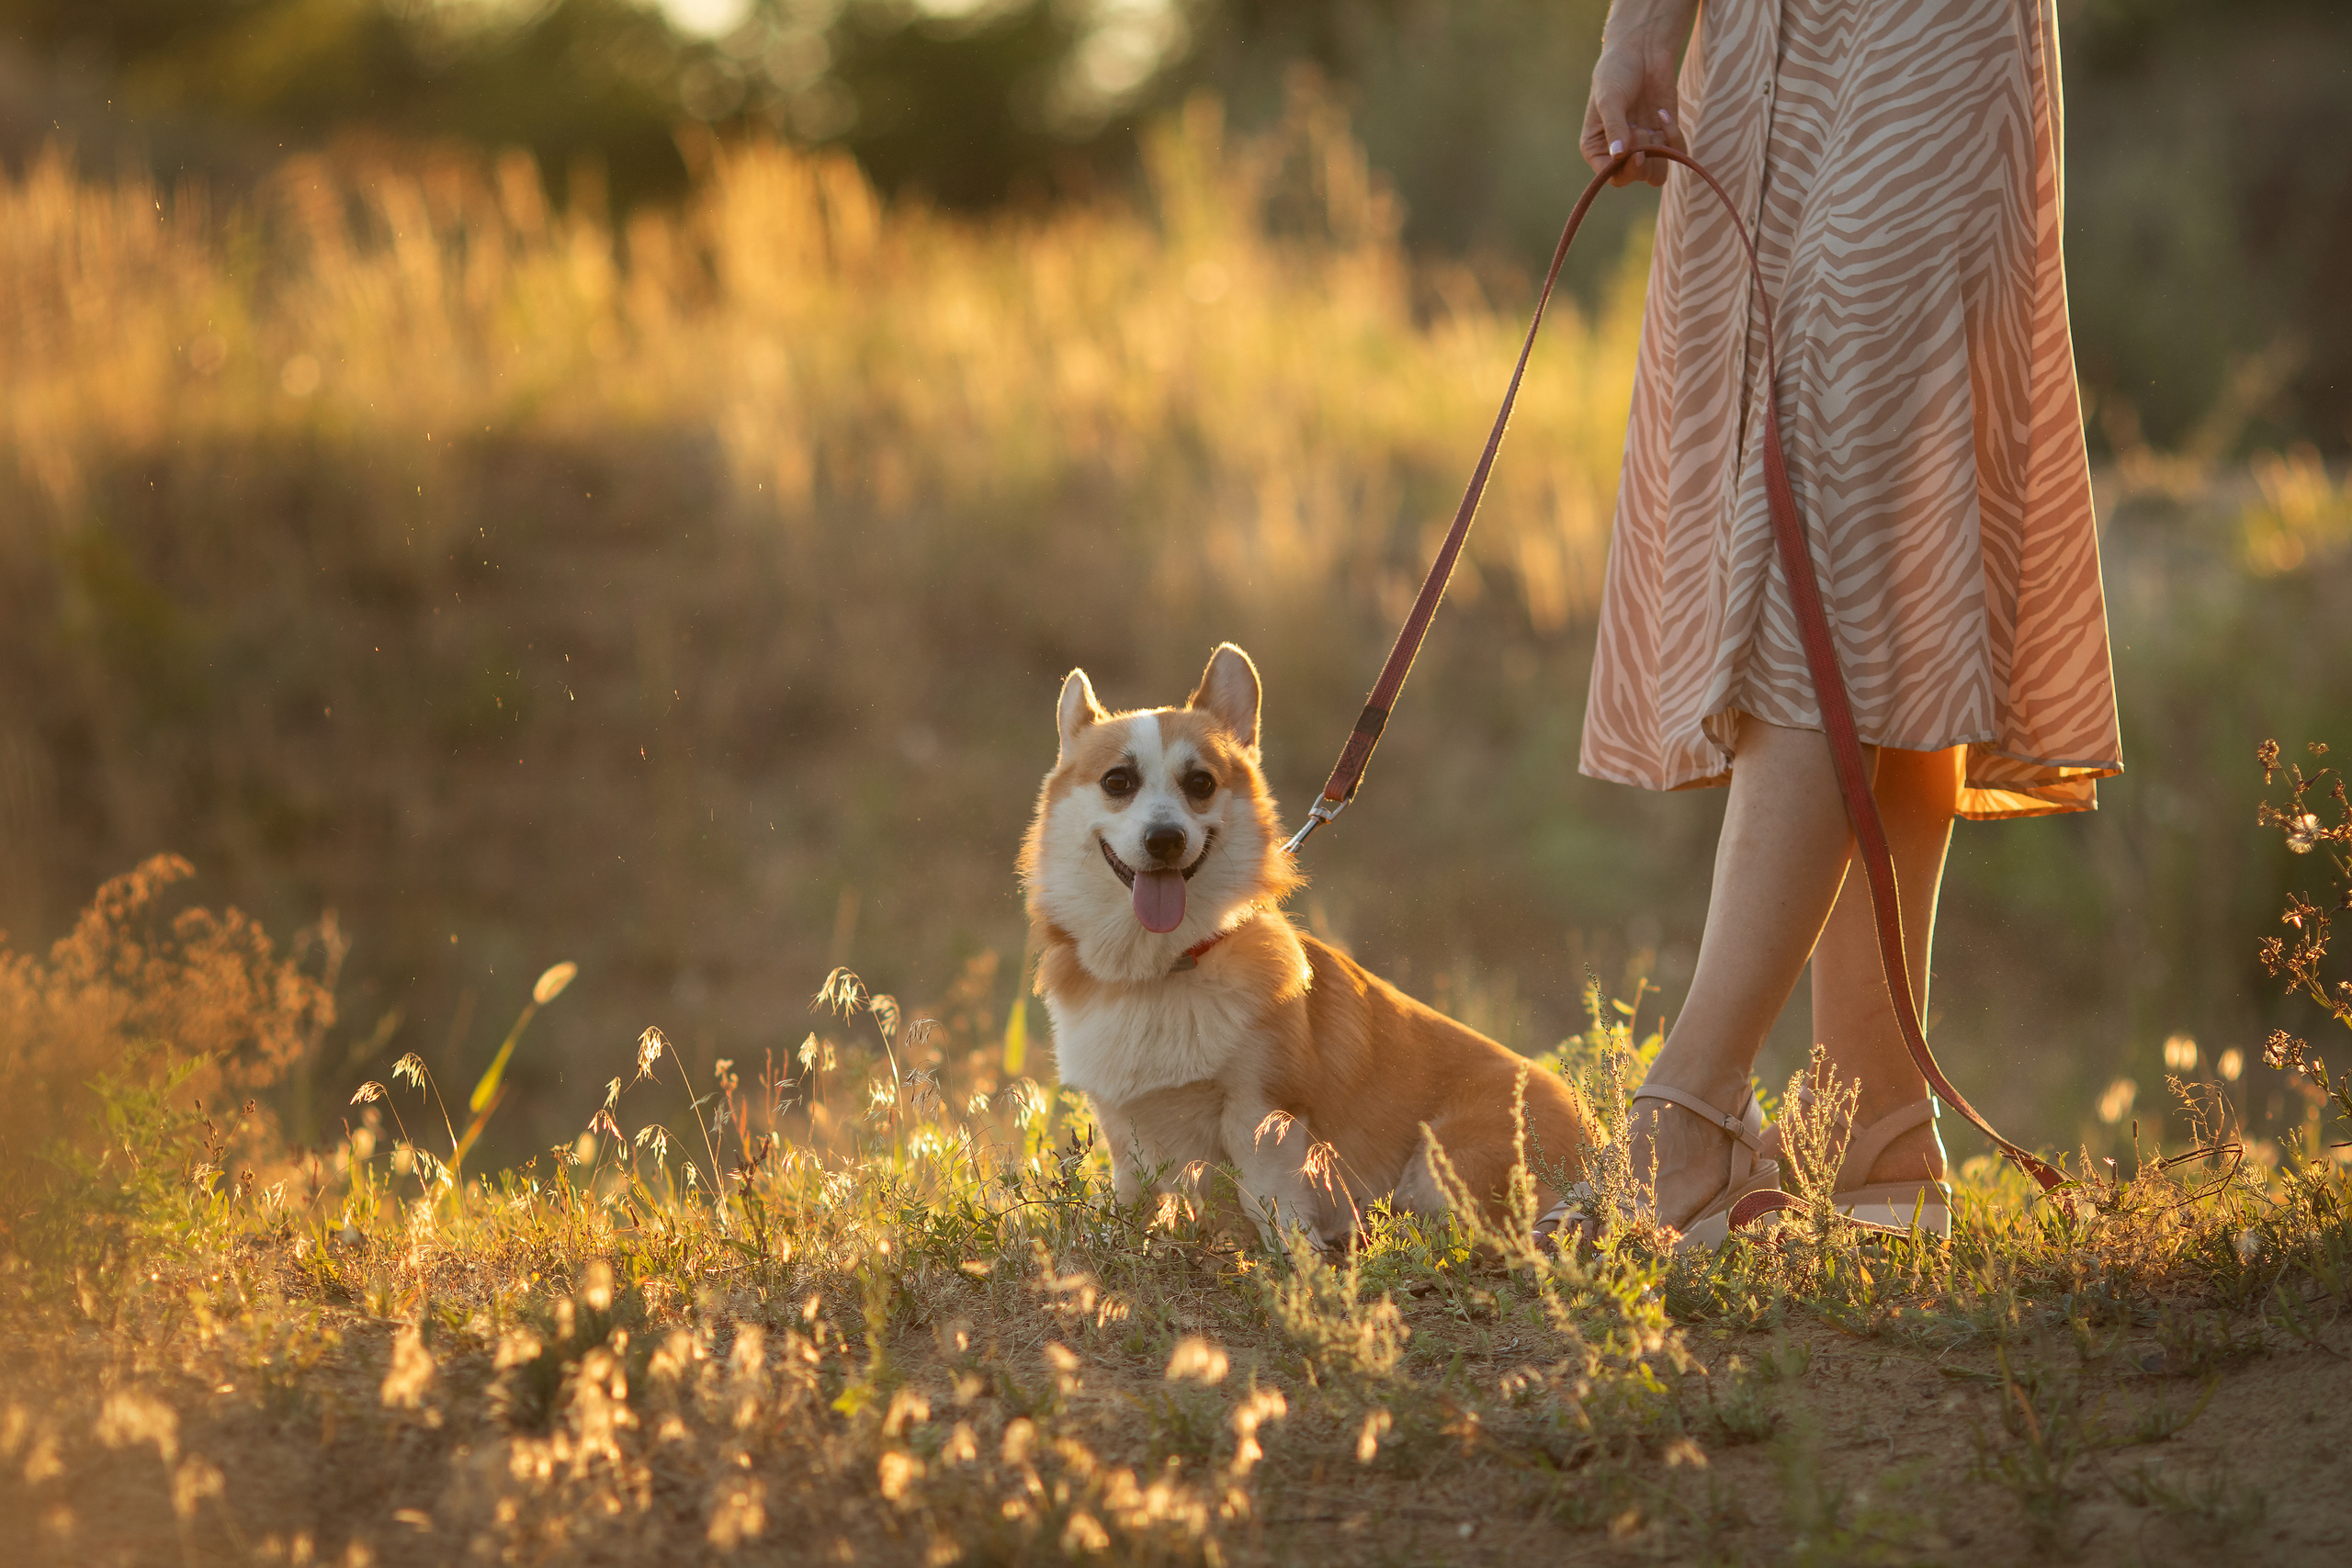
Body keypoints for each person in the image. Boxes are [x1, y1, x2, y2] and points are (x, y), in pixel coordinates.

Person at [1549, 0, 2121, 1242]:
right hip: (1764, 35)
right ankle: (1875, 1136)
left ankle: (1688, 1111)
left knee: (1841, 497)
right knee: (1891, 541)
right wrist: (1641, 29)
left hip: (1940, 26)